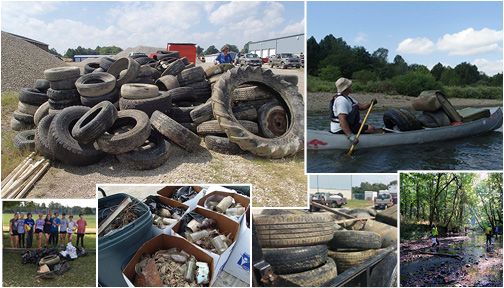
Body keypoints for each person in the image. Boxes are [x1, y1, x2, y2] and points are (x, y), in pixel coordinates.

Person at [330, 77, 379, 145]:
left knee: (369, 127)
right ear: (346, 88)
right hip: (340, 129)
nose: (351, 86)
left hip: (348, 125)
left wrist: (371, 103)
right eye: (350, 86)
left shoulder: (348, 97)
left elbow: (361, 107)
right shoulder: (341, 101)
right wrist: (350, 136)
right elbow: (342, 120)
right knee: (371, 129)